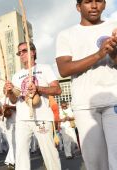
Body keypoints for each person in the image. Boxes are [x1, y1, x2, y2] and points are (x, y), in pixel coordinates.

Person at [55, 0, 117, 169]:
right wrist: (99, 54)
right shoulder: (66, 34)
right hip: (85, 105)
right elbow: (64, 69)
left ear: (104, 4)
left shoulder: (114, 27)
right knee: (95, 162)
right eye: (88, 1)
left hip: (114, 101)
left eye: (99, 1)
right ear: (78, 7)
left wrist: (114, 53)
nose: (94, 6)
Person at [5, 42, 62, 170]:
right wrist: (9, 92)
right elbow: (14, 100)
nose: (21, 54)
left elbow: (57, 90)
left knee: (49, 153)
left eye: (24, 51)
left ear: (33, 52)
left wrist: (38, 88)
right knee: (20, 154)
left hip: (42, 117)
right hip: (22, 119)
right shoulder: (16, 75)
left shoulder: (45, 68)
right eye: (19, 52)